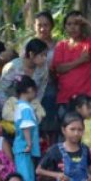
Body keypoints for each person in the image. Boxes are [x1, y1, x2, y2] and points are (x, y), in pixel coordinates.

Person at [52, 11, 91, 117]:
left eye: (76, 24)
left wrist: (87, 21)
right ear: (65, 27)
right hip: (67, 97)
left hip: (89, 96)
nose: (73, 27)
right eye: (69, 24)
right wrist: (80, 61)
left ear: (82, 26)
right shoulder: (61, 46)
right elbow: (59, 68)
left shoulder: (88, 43)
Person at [0, 38, 49, 109]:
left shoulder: (43, 69)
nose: (45, 58)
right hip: (10, 105)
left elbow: (41, 90)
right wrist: (8, 109)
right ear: (31, 54)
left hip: (30, 106)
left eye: (45, 55)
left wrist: (34, 107)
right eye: (42, 55)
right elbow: (0, 90)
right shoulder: (12, 67)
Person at [33, 11, 60, 140]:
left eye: (46, 25)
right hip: (33, 88)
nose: (43, 29)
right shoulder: (29, 45)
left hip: (53, 85)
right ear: (34, 26)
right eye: (39, 25)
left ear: (52, 26)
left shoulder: (58, 45)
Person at [13, 75, 40, 181]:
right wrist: (29, 144)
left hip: (20, 146)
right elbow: (26, 127)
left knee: (25, 173)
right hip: (24, 147)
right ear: (29, 90)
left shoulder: (19, 106)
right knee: (25, 176)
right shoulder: (26, 108)